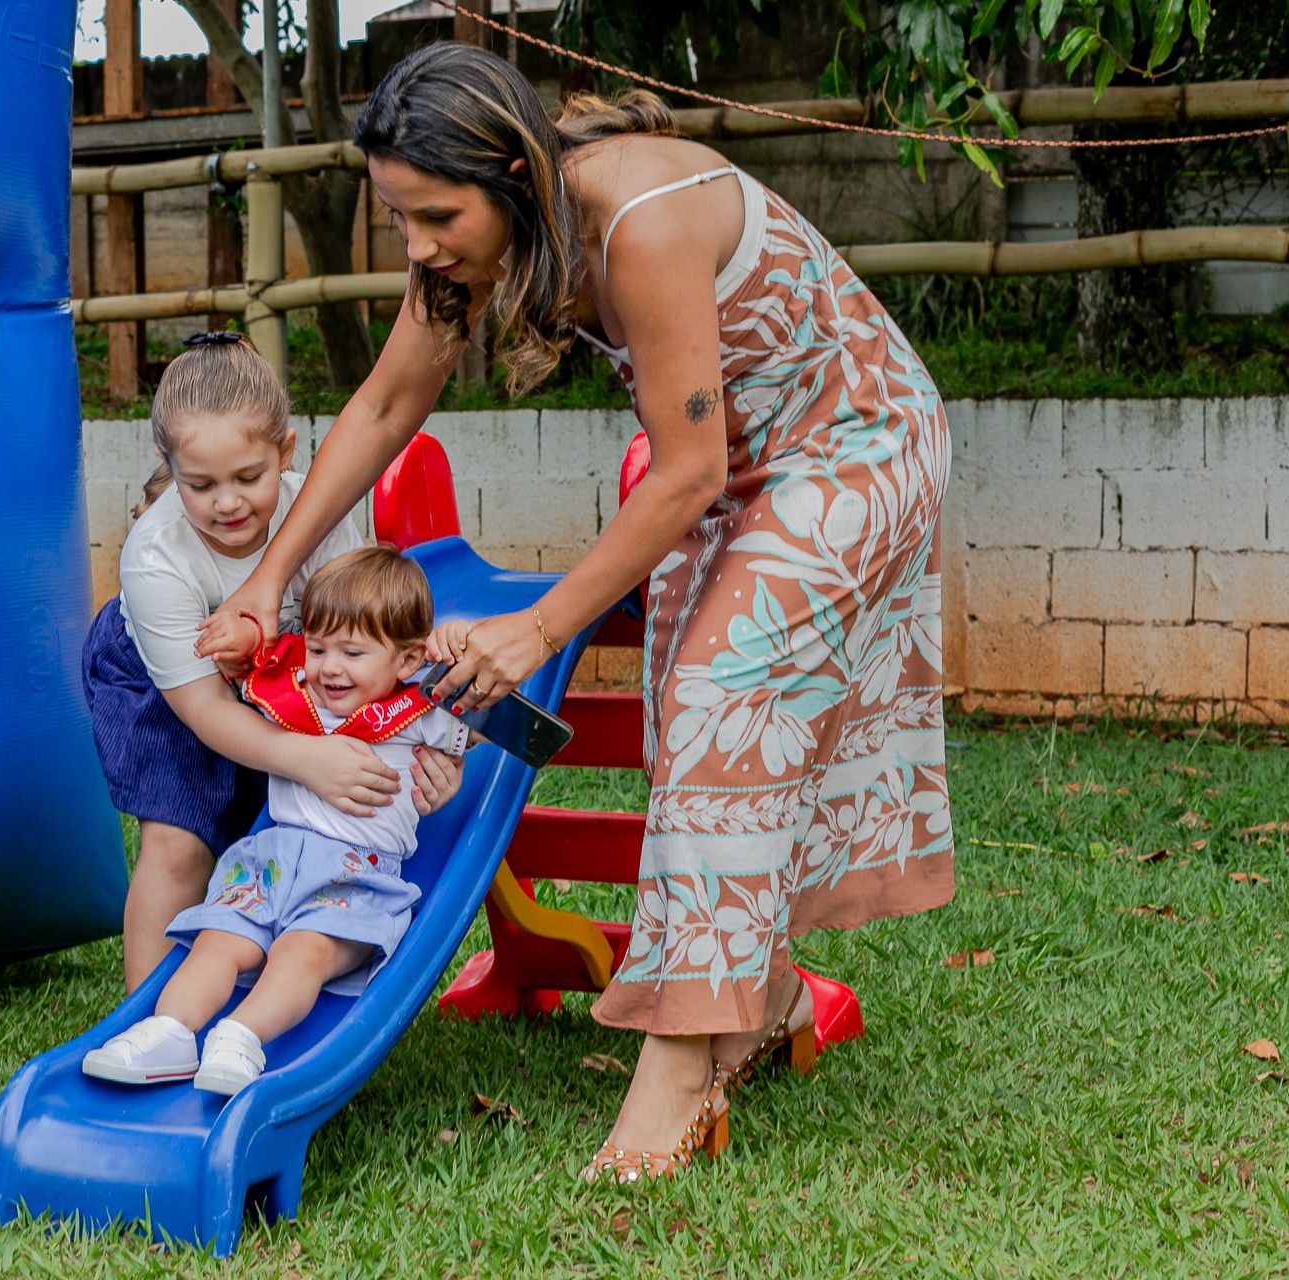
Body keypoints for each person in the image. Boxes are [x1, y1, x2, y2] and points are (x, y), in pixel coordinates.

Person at [204, 44, 954, 1181]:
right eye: (399, 216)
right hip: (731, 465)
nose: (420, 245)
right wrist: (271, 576)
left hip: (851, 445)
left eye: (437, 216)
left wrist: (540, 627)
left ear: (512, 170)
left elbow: (687, 469)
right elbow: (387, 402)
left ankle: (679, 1076)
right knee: (687, 732)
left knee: (719, 698)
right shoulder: (476, 238)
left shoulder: (640, 221)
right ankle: (767, 1001)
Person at [80, 332, 463, 995]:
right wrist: (305, 757)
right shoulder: (156, 556)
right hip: (164, 684)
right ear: (167, 464)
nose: (227, 503)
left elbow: (365, 644)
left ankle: (247, 979)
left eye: (249, 478)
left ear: (285, 453)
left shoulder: (319, 513)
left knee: (272, 826)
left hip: (285, 671)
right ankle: (144, 1015)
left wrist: (436, 757)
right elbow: (204, 710)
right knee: (180, 840)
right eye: (200, 484)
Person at [83, 546, 467, 1095]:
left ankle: (241, 1035)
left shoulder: (419, 712)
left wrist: (457, 652)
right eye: (319, 647)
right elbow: (249, 665)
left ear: (406, 662)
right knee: (217, 942)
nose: (330, 667)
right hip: (271, 865)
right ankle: (170, 1032)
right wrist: (240, 637)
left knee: (300, 952)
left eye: (352, 653)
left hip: (355, 880)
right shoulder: (297, 694)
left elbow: (488, 716)